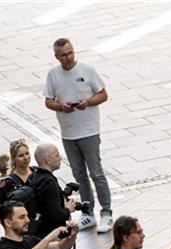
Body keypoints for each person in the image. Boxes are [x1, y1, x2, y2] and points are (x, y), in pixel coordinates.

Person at [43, 38, 112, 232]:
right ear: (56, 56)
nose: (68, 58)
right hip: (68, 132)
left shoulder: (87, 70)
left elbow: (103, 94)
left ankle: (106, 212)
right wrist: (60, 106)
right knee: (79, 175)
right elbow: (48, 100)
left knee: (96, 172)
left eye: (70, 53)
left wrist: (87, 102)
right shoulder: (53, 74)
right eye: (63, 55)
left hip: (89, 130)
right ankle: (88, 213)